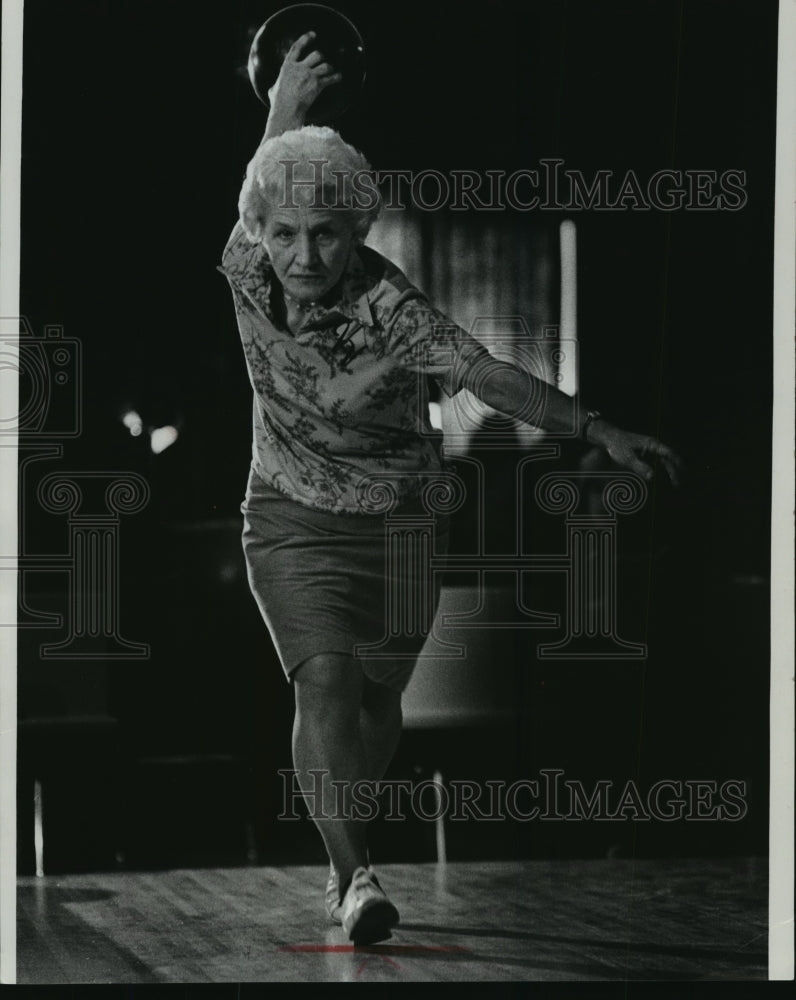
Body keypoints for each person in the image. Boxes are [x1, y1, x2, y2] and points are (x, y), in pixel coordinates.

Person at [219, 32, 681, 945]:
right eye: (285, 236)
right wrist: (281, 105)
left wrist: (598, 428)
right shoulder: (248, 267)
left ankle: (346, 835)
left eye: (325, 235)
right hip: (287, 517)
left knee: (378, 700)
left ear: (356, 235)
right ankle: (354, 880)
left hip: (397, 522)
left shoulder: (393, 307)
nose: (302, 256)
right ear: (262, 237)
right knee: (325, 682)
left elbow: (492, 377)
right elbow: (260, 185)